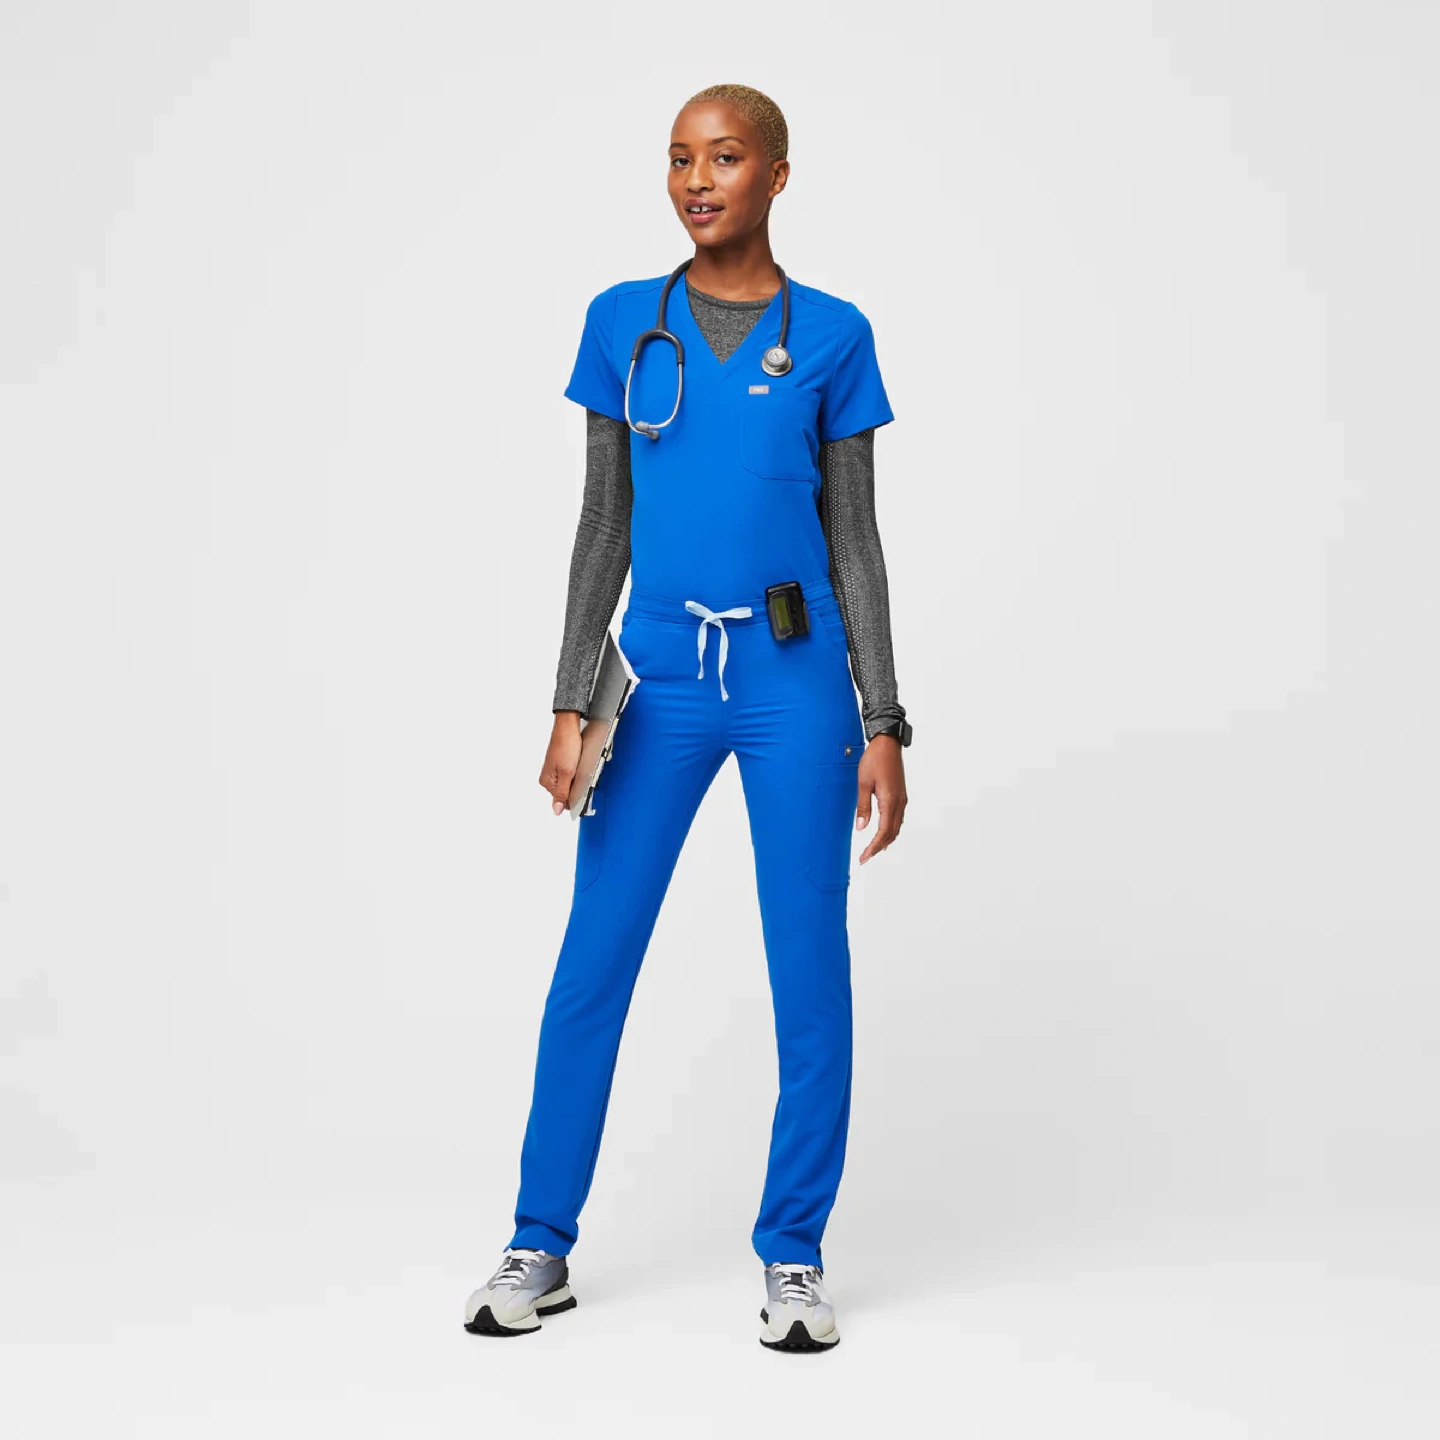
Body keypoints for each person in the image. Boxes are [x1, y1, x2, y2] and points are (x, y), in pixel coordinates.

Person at [464, 83, 911, 1352]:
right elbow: (603, 524)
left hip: (793, 678)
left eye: (723, 158)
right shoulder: (624, 322)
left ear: (777, 175)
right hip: (656, 675)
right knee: (594, 957)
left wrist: (883, 714)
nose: (697, 181)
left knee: (808, 970)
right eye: (678, 159)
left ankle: (794, 1255)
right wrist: (572, 699)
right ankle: (540, 1239)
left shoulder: (833, 336)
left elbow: (856, 543)